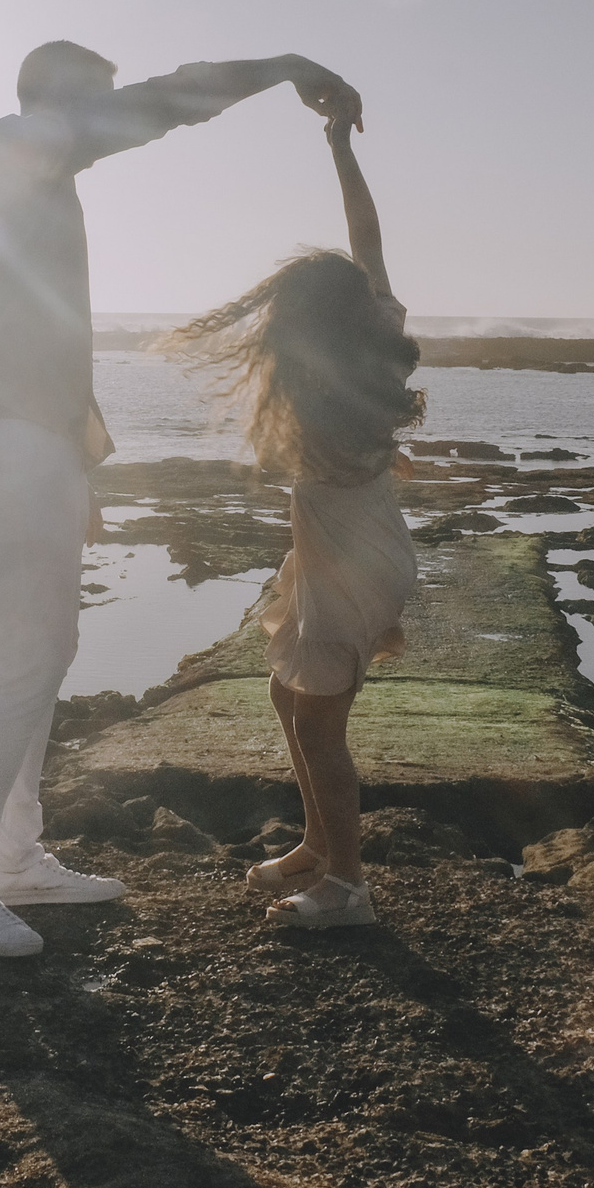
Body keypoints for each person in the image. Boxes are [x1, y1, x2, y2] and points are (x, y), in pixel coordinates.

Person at [0, 41, 364, 958]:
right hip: (1, 444)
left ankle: (14, 859)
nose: (119, 110)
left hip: (29, 447)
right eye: (101, 96)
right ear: (57, 97)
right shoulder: (7, 145)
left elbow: (44, 338)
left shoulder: (43, 188)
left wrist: (77, 470)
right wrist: (281, 65)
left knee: (38, 654)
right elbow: (166, 104)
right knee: (28, 660)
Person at [164, 112, 422, 928]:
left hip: (351, 560)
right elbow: (369, 237)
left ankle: (348, 887)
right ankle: (317, 844)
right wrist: (341, 148)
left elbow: (366, 245)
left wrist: (339, 146)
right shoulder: (373, 346)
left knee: (319, 724)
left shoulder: (327, 392)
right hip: (338, 554)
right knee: (289, 694)